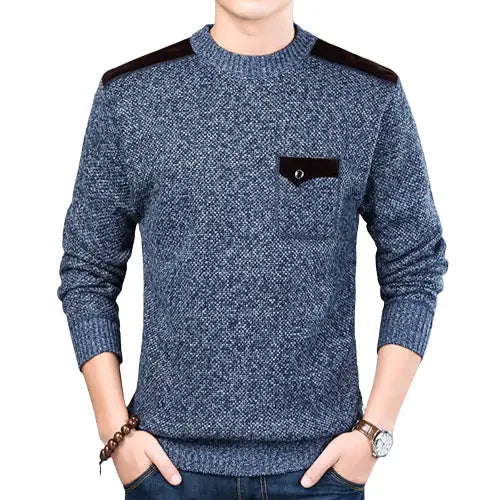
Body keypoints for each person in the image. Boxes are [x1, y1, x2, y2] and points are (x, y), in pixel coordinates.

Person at [56, 1, 449, 498]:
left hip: (321, 470)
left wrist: (374, 432)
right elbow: (88, 270)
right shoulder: (131, 96)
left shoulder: (367, 96)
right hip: (167, 468)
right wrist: (115, 432)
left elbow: (415, 265)